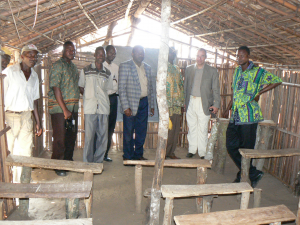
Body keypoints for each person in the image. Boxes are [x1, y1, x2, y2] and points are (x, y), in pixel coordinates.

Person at [223, 46, 282, 188]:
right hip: (236, 115)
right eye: (237, 56)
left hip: (249, 116)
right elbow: (235, 93)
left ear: (248, 56)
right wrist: (227, 108)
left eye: (242, 56)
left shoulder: (257, 72)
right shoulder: (237, 71)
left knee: (246, 149)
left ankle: (243, 175)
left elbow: (277, 80)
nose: (239, 58)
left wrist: (259, 92)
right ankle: (252, 173)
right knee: (230, 145)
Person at [3, 44, 43, 183]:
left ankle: (24, 184)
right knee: (8, 151)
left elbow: (34, 101)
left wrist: (38, 122)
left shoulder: (34, 77)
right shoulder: (10, 72)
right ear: (21, 57)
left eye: (35, 56)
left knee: (26, 152)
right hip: (10, 116)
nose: (33, 58)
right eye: (29, 55)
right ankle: (8, 183)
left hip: (26, 116)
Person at [48, 41, 80, 176]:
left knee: (71, 136)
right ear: (63, 51)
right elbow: (56, 88)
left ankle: (68, 161)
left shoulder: (73, 67)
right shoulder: (57, 66)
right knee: (60, 137)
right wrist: (65, 110)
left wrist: (71, 110)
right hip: (59, 109)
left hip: (72, 108)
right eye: (69, 50)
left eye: (73, 50)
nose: (72, 52)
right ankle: (58, 164)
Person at [119, 45, 154, 161]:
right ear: (132, 54)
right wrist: (125, 107)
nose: (141, 54)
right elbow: (121, 88)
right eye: (138, 52)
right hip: (130, 104)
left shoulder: (147, 68)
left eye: (142, 52)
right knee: (128, 132)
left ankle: (138, 155)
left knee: (141, 131)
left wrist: (152, 105)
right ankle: (128, 156)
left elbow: (151, 88)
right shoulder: (125, 66)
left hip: (144, 103)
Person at [184, 48, 220, 158]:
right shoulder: (189, 69)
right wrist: (185, 102)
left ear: (205, 57)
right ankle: (192, 149)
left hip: (203, 102)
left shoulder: (212, 71)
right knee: (192, 126)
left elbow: (216, 89)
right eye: (198, 55)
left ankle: (202, 152)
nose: (199, 58)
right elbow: (185, 86)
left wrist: (216, 104)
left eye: (202, 56)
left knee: (203, 127)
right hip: (191, 100)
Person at [79, 47, 112, 163]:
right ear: (94, 55)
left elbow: (108, 89)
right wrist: (89, 96)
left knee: (103, 137)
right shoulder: (86, 70)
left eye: (102, 54)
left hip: (103, 108)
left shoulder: (107, 73)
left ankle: (98, 163)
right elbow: (81, 86)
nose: (100, 56)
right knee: (89, 137)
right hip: (90, 108)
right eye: (98, 54)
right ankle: (87, 163)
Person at [166, 47, 184, 159]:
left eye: (174, 53)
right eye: (170, 53)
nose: (172, 55)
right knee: (168, 129)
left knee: (176, 129)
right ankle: (164, 151)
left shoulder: (177, 68)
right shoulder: (162, 68)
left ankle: (171, 152)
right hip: (167, 105)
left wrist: (182, 103)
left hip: (177, 104)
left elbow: (181, 86)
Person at [103, 45, 119, 162]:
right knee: (101, 127)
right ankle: (98, 153)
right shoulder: (100, 65)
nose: (112, 55)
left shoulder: (116, 67)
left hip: (113, 99)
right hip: (103, 98)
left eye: (114, 53)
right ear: (105, 52)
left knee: (110, 127)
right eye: (110, 52)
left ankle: (105, 154)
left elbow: (117, 83)